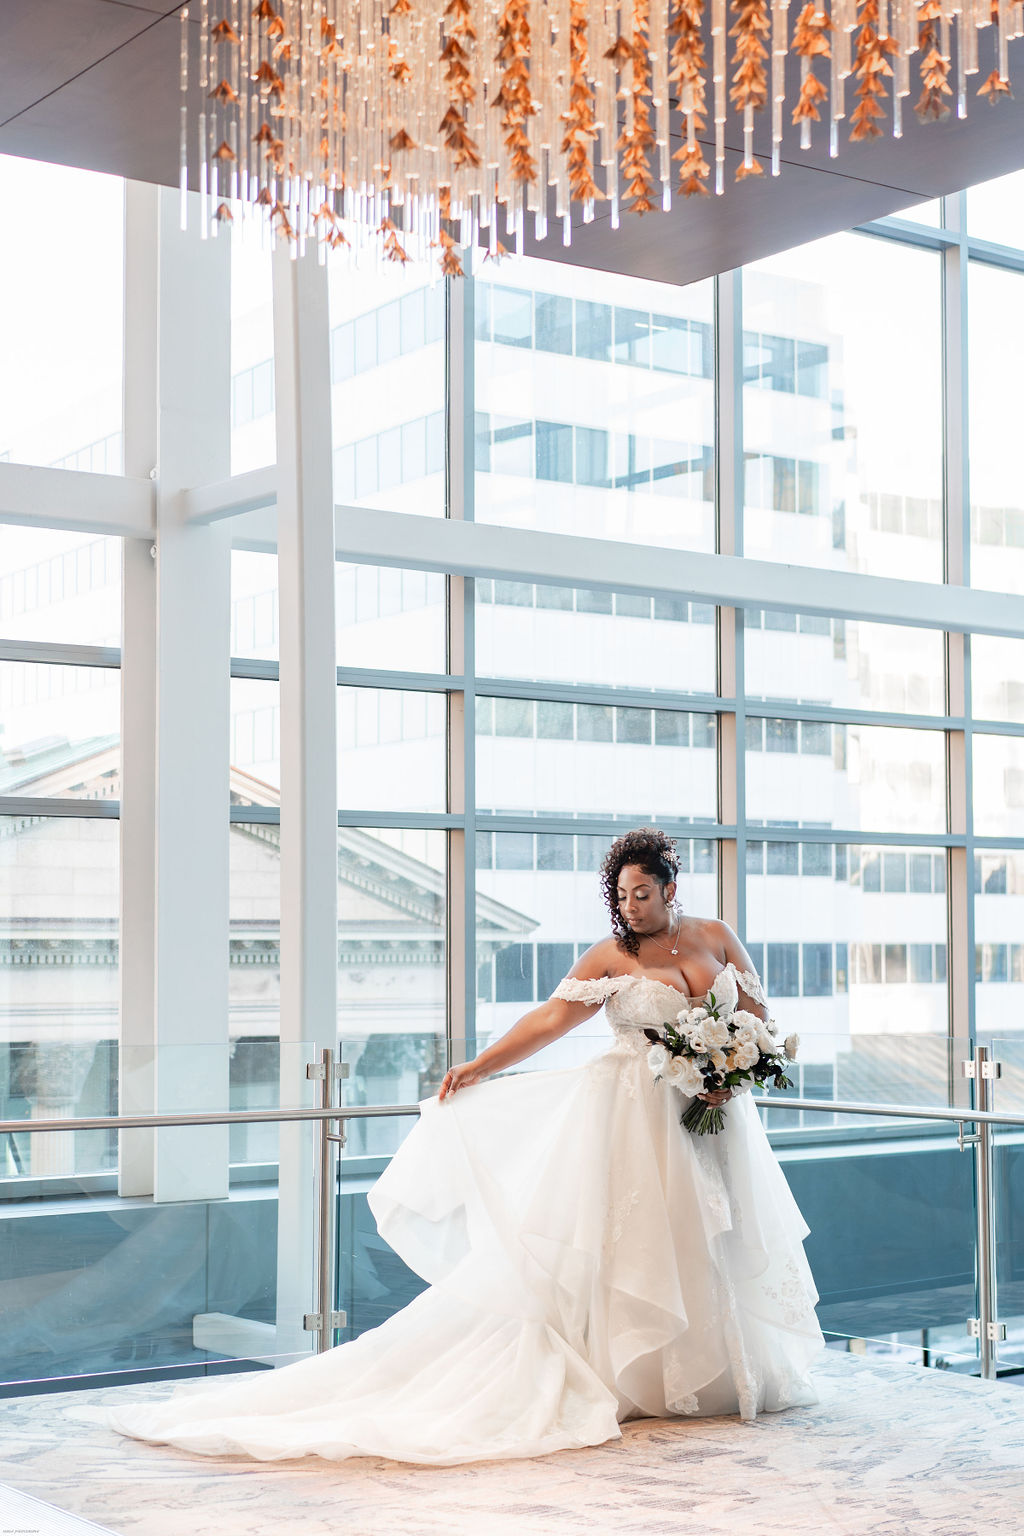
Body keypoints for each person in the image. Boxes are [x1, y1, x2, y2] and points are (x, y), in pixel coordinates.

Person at [106, 827, 824, 1464]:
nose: (630, 907)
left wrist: (733, 1070)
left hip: (711, 1111)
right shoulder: (612, 954)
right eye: (621, 896)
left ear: (669, 887)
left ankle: (712, 1371)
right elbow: (549, 1021)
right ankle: (633, 1375)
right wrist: (480, 1065)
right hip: (635, 1113)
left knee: (709, 1232)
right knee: (640, 1239)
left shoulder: (716, 936)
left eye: (642, 893)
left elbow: (756, 1017)